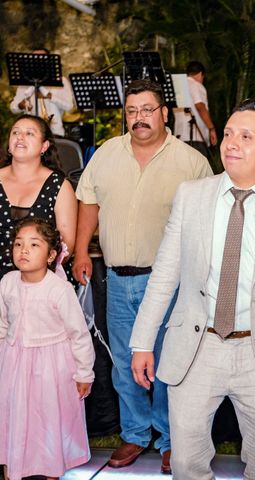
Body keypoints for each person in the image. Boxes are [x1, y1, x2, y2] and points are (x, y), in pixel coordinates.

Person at [129, 99, 255, 480]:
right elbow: (165, 273)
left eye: (246, 136)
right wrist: (142, 342)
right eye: (230, 133)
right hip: (196, 347)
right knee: (186, 463)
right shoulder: (191, 196)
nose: (231, 143)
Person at [73, 79, 212, 473]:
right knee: (123, 362)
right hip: (117, 279)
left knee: (169, 361)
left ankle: (170, 439)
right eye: (132, 111)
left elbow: (207, 223)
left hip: (169, 283)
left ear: (165, 114)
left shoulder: (191, 162)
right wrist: (82, 250)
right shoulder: (106, 154)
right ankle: (135, 433)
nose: (139, 119)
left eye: (148, 110)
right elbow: (88, 200)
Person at [0, 217, 95, 480]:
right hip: (15, 365)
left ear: (52, 254)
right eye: (18, 244)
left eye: (33, 244)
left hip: (51, 368)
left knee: (48, 419)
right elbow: (2, 324)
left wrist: (84, 373)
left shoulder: (59, 290)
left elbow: (79, 334)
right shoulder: (7, 282)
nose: (24, 251)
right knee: (13, 415)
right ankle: (12, 467)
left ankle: (52, 469)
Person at [0, 114, 77, 280]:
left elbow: (67, 245)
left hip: (41, 284)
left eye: (29, 133)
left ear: (44, 146)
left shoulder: (60, 186)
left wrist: (35, 279)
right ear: (9, 145)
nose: (20, 137)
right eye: (15, 132)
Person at [10, 48, 74, 138]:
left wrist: (49, 96)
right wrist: (21, 105)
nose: (37, 62)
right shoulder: (24, 83)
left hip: (54, 133)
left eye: (41, 59)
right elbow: (13, 108)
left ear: (48, 62)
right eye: (34, 59)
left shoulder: (61, 81)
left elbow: (69, 107)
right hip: (29, 134)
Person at [173, 60, 218, 159]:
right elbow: (200, 106)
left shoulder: (178, 87)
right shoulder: (196, 85)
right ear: (201, 74)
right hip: (196, 137)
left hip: (179, 136)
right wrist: (211, 129)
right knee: (199, 171)